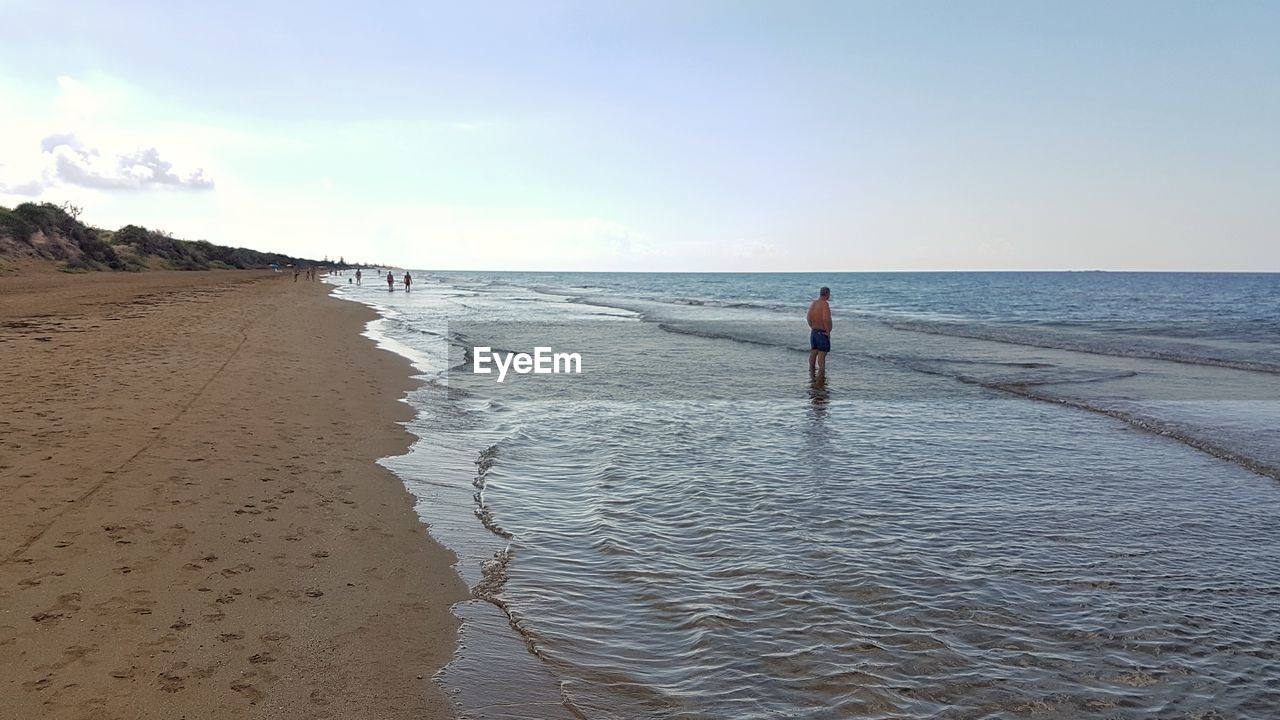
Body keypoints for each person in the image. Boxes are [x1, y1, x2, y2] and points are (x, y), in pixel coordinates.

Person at [806, 286, 832, 374]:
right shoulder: (825, 304)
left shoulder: (814, 303)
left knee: (813, 352)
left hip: (814, 331)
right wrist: (828, 332)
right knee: (822, 354)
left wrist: (812, 326)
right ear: (828, 295)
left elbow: (808, 317)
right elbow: (826, 319)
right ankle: (821, 373)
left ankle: (812, 371)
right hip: (822, 332)